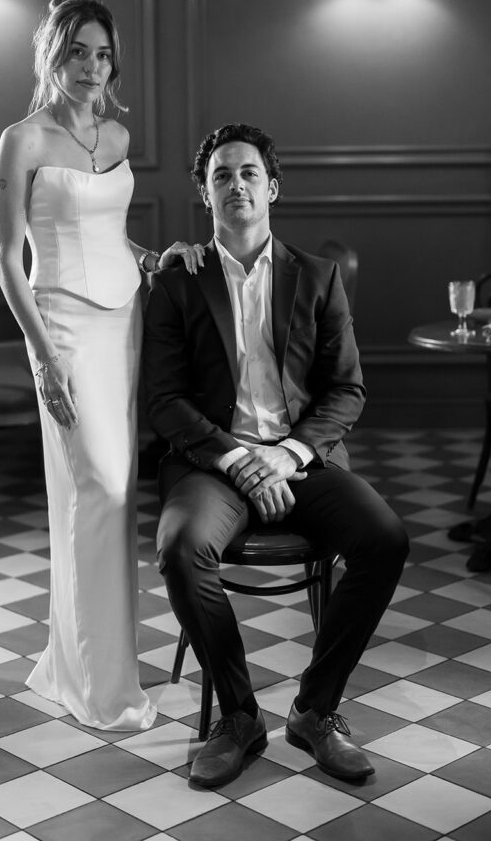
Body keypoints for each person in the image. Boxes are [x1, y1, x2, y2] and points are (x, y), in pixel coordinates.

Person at [143, 123, 409, 786]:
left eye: (247, 173)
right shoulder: (178, 283)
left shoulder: (316, 278)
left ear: (273, 187)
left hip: (301, 461)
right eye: (220, 176)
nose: (235, 184)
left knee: (383, 538)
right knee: (179, 547)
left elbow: (346, 390)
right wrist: (237, 460)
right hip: (213, 464)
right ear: (204, 195)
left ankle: (315, 711)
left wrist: (286, 456)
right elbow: (164, 401)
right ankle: (238, 717)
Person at [0, 0, 203, 731]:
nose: (91, 66)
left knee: (113, 502)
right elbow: (8, 262)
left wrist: (155, 257)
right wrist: (44, 359)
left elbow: (107, 234)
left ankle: (85, 665)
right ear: (53, 55)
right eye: (77, 51)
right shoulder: (21, 140)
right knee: (101, 491)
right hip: (64, 333)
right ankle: (99, 690)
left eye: (102, 52)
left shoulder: (113, 135)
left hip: (125, 325)